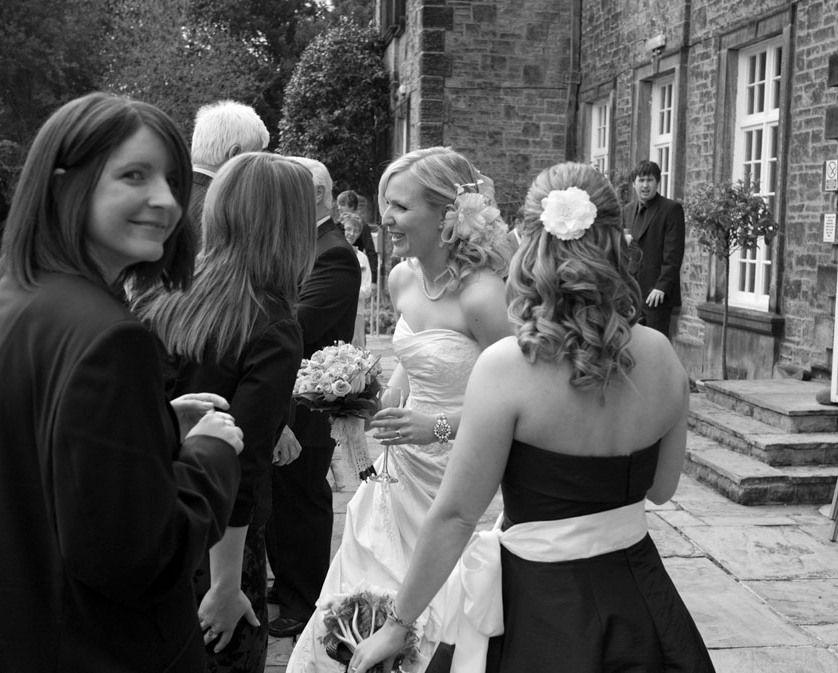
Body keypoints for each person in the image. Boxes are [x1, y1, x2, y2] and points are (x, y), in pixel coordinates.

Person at [349, 162, 715, 673]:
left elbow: (455, 516)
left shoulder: (508, 367)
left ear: (530, 241)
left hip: (540, 606)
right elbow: (661, 489)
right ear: (617, 238)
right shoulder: (662, 356)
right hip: (640, 601)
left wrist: (398, 624)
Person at [0, 92, 246, 673]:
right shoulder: (109, 337)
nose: (166, 201)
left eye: (173, 180)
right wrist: (211, 455)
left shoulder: (3, 305)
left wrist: (153, 428)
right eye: (134, 175)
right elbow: (140, 561)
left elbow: (29, 464)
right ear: (61, 186)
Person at [285, 146, 514, 673]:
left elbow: (519, 403)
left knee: (446, 618)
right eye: (385, 203)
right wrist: (360, 399)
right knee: (361, 592)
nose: (383, 219)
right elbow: (412, 372)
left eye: (400, 207)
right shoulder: (403, 279)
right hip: (397, 473)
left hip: (461, 473)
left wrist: (433, 425)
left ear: (446, 214)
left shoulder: (484, 297)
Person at [133, 152, 316, 673]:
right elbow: (242, 469)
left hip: (147, 524)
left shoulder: (163, 291)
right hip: (215, 547)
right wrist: (226, 586)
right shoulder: (274, 325)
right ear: (292, 226)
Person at [266, 156, 362, 638]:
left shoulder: (334, 252)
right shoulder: (304, 242)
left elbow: (300, 324)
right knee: (281, 496)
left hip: (311, 398)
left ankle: (304, 600)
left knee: (303, 496)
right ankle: (286, 582)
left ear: (318, 195)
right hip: (290, 391)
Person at [621, 159, 685, 339]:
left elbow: (673, 254)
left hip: (658, 296)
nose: (645, 185)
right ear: (634, 184)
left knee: (657, 347)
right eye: (641, 180)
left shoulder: (671, 209)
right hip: (631, 294)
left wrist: (661, 287)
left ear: (658, 182)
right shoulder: (626, 210)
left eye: (649, 180)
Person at [189, 100, 270, 234]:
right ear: (235, 154)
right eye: (255, 157)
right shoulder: (229, 212)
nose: (258, 167)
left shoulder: (167, 193)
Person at [340, 211, 373, 349]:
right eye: (348, 229)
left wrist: (347, 293)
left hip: (357, 312)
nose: (351, 233)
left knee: (357, 349)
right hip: (337, 312)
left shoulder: (362, 258)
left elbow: (367, 289)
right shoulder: (335, 254)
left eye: (356, 230)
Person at [336, 188, 379, 285]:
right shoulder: (337, 225)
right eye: (338, 204)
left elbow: (371, 252)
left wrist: (373, 281)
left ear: (352, 206)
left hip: (354, 270)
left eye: (342, 204)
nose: (339, 207)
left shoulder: (363, 226)